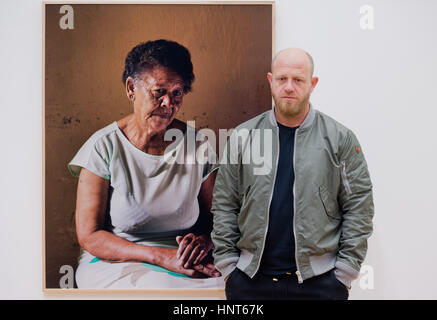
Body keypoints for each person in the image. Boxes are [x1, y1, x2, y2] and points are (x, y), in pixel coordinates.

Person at [211, 48, 374, 299]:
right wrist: (229, 267)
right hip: (251, 282)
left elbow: (359, 206)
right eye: (282, 79)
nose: (289, 87)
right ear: (270, 81)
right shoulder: (243, 136)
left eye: (298, 80)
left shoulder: (340, 139)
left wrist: (344, 272)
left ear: (313, 83)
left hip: (320, 283)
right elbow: (224, 203)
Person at [68, 39, 223, 289]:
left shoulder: (197, 145)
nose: (168, 104)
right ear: (131, 88)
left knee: (235, 286)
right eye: (159, 92)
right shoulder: (103, 146)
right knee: (161, 291)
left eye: (177, 93)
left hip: (183, 260)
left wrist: (205, 241)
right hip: (117, 261)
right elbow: (90, 236)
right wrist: (161, 257)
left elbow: (217, 218)